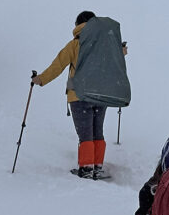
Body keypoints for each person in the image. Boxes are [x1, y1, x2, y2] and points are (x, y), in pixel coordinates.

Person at [32, 11, 117, 180]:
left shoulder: (74, 45)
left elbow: (57, 66)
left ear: (77, 25)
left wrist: (40, 79)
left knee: (85, 134)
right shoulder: (105, 44)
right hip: (100, 96)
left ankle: (86, 169)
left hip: (79, 96)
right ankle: (97, 167)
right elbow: (116, 62)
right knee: (97, 132)